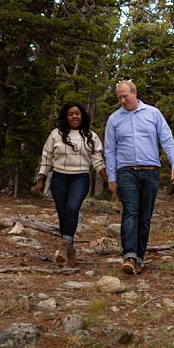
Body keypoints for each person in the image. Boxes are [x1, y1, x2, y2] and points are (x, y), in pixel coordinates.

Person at [104, 80, 174, 275]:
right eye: (119, 98)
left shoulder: (153, 114)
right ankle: (128, 256)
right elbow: (109, 150)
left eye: (125, 96)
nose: (122, 100)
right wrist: (112, 178)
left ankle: (139, 257)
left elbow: (167, 139)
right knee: (130, 210)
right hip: (126, 171)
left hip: (150, 171)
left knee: (144, 216)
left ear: (134, 93)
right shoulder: (114, 120)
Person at [35, 101, 109, 267]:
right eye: (70, 114)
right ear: (65, 117)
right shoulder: (56, 134)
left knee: (72, 208)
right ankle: (70, 249)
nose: (74, 116)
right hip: (59, 178)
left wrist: (109, 181)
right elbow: (47, 157)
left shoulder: (91, 136)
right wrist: (41, 178)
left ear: (82, 115)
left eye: (77, 113)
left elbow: (98, 162)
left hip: (80, 178)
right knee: (63, 214)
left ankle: (64, 245)